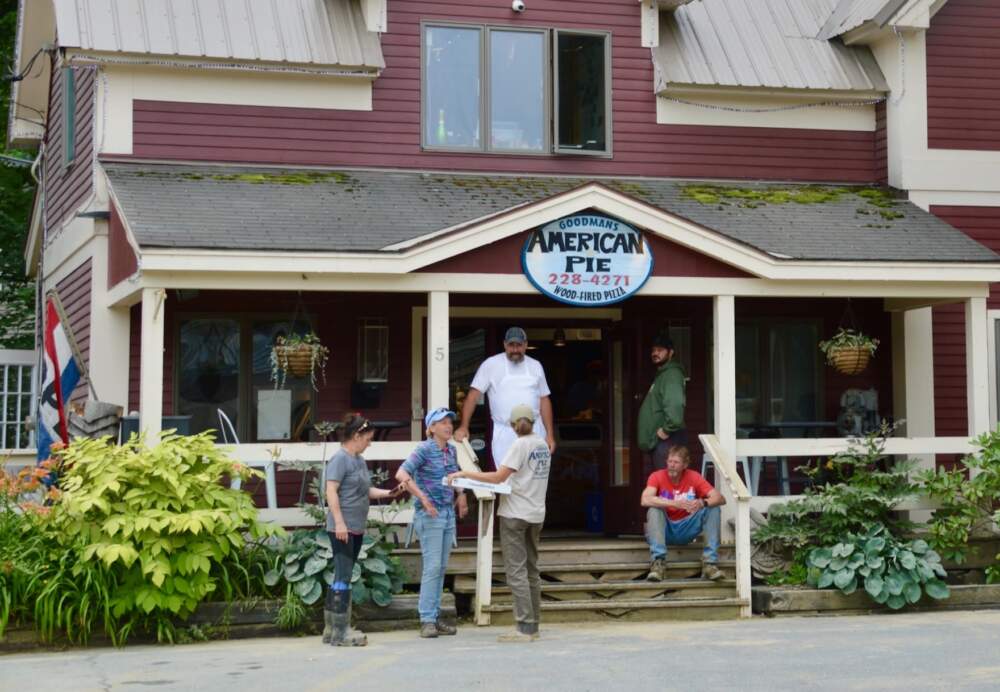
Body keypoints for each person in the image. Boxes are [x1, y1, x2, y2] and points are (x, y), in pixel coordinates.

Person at [448, 403, 551, 643]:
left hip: (515, 513)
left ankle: (523, 627)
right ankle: (534, 624)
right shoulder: (542, 445)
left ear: (514, 425)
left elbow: (498, 477)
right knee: (532, 570)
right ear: (533, 422)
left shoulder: (519, 444)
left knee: (516, 570)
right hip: (537, 513)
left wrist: (465, 474)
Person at [324, 413, 404, 647]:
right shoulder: (340, 459)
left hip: (356, 527)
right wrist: (339, 523)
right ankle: (340, 632)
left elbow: (366, 490)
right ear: (356, 436)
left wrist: (390, 493)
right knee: (344, 574)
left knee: (343, 574)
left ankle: (331, 629)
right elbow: (331, 491)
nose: (370, 443)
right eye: (367, 438)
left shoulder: (358, 460)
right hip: (343, 527)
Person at [395, 407, 469, 639]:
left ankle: (434, 618)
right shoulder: (424, 449)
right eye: (442, 422)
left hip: (447, 514)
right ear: (431, 428)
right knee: (432, 567)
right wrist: (423, 499)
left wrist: (462, 495)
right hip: (430, 515)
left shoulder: (451, 450)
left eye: (450, 422)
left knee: (441, 567)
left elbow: (454, 474)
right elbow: (402, 474)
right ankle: (427, 619)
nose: (448, 426)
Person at [454, 326, 556, 467]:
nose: (515, 350)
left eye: (519, 345)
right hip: (505, 433)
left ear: (526, 345)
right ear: (504, 344)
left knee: (535, 477)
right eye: (511, 345)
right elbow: (472, 396)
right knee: (506, 481)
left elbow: (544, 400)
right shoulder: (491, 364)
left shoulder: (535, 366)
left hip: (535, 432)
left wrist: (549, 435)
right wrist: (464, 426)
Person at [641, 445, 725, 582]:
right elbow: (645, 499)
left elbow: (720, 498)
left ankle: (710, 564)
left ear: (685, 464)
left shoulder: (694, 477)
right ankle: (658, 564)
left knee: (713, 508)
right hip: (665, 530)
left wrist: (702, 503)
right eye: (669, 461)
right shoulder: (656, 476)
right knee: (654, 509)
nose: (671, 465)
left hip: (687, 528)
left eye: (676, 462)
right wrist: (673, 503)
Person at [637, 332, 687, 472]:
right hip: (664, 442)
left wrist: (666, 429)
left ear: (671, 353)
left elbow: (675, 404)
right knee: (664, 484)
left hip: (668, 440)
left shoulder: (671, 375)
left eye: (660, 350)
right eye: (653, 350)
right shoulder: (663, 374)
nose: (655, 353)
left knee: (669, 486)